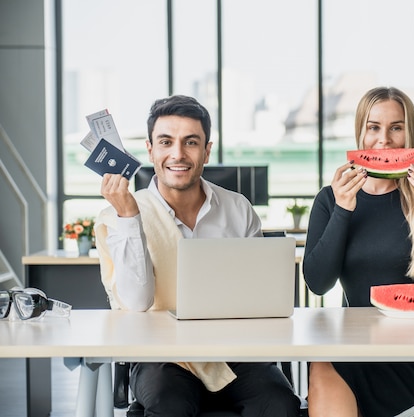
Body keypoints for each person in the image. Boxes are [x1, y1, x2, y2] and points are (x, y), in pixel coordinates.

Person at [94, 95, 301, 417]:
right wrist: (129, 218)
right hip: (162, 357)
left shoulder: (237, 208)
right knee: (171, 406)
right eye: (166, 142)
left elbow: (259, 296)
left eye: (191, 142)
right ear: (150, 149)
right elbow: (136, 302)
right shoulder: (118, 217)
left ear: (207, 150)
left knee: (280, 404)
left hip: (234, 353)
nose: (178, 154)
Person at [302, 86, 414, 417]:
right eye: (374, 127)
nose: (384, 141)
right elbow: (318, 283)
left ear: (411, 133)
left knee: (326, 369)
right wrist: (343, 210)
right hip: (356, 344)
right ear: (361, 132)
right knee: (320, 362)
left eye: (396, 127)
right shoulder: (330, 199)